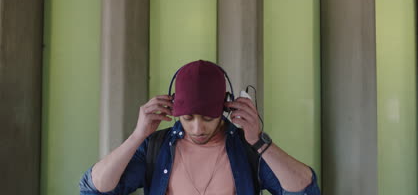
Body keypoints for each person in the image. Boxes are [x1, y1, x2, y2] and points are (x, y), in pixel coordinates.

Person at [79, 60, 320, 195]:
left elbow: (305, 191)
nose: (197, 128)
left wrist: (259, 141)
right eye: (188, 117)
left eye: (207, 118)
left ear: (226, 107)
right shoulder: (156, 146)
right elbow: (95, 190)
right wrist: (137, 136)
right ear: (174, 108)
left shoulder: (248, 148)